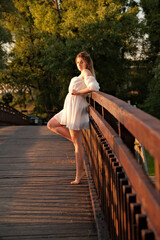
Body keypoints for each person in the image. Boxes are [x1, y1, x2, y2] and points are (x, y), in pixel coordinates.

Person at [47, 51, 100, 184]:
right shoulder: (82, 74)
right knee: (51, 124)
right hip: (69, 109)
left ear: (87, 62)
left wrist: (78, 92)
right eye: (77, 62)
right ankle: (77, 143)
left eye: (81, 62)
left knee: (77, 145)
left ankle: (79, 174)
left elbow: (94, 88)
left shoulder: (87, 73)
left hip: (76, 110)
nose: (79, 65)